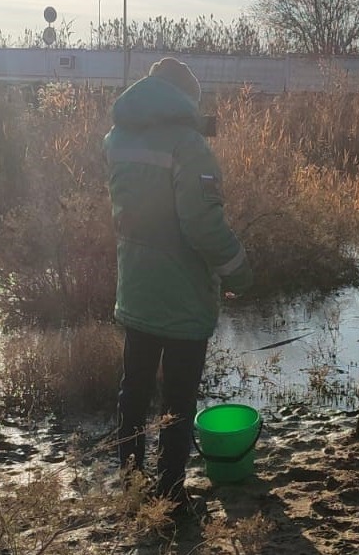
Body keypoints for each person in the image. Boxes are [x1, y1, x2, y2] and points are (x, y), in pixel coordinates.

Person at [104, 57, 252, 514]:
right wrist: (239, 270)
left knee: (134, 386)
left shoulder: (117, 139)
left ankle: (131, 477)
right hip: (183, 293)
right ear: (187, 99)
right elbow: (202, 224)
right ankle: (170, 491)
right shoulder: (189, 145)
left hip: (135, 284)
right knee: (179, 394)